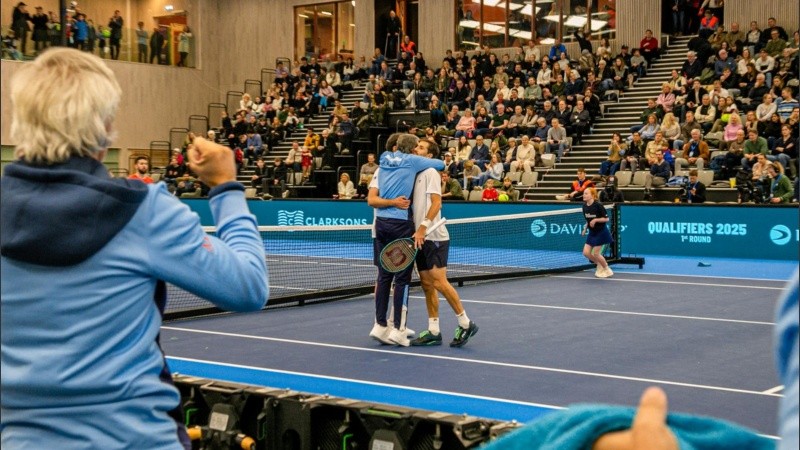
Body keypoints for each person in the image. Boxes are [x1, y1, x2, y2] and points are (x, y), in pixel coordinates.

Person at [0, 47, 268, 450]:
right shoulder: (145, 210)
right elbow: (248, 287)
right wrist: (225, 186)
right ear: (106, 127)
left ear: (21, 121)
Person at [389, 139, 477, 347]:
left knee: (438, 281)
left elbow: (437, 203)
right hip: (420, 236)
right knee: (428, 285)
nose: (415, 148)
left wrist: (423, 227)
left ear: (429, 155)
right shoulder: (416, 173)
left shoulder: (430, 172)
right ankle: (434, 330)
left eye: (420, 147)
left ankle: (465, 323)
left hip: (434, 235)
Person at [367, 133, 444, 347]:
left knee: (383, 276)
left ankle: (381, 325)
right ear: (412, 150)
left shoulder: (382, 160)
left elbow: (372, 198)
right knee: (402, 279)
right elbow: (441, 163)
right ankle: (398, 330)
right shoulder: (412, 161)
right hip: (400, 225)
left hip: (381, 224)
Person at [581, 188, 613, 278]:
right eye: (584, 193)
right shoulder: (584, 206)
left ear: (592, 195)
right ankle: (599, 264)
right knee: (586, 253)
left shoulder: (598, 205)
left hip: (601, 232)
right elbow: (588, 220)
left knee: (596, 253)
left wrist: (596, 220)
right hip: (592, 232)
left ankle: (607, 269)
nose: (584, 195)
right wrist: (585, 228)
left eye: (586, 193)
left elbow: (606, 219)